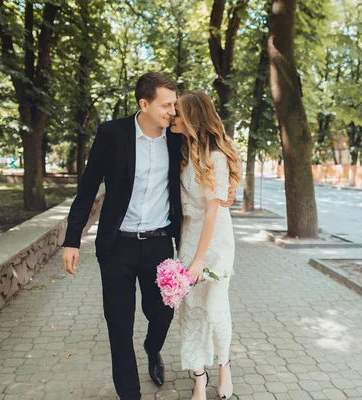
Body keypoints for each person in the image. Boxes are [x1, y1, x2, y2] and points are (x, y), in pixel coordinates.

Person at [61, 73, 233, 400]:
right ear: (145, 104)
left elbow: (212, 157)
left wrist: (229, 190)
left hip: (159, 246)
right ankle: (131, 394)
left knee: (162, 314)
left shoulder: (177, 138)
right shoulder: (112, 134)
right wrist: (72, 239)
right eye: (166, 105)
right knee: (119, 326)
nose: (173, 111)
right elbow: (86, 189)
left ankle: (153, 349)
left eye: (175, 105)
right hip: (116, 247)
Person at [169, 90, 242, 400]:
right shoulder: (184, 150)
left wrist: (198, 261)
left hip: (215, 242)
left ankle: (224, 365)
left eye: (177, 112)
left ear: (193, 118)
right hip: (188, 236)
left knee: (214, 308)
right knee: (192, 311)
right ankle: (199, 377)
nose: (172, 115)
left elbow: (213, 212)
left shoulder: (216, 157)